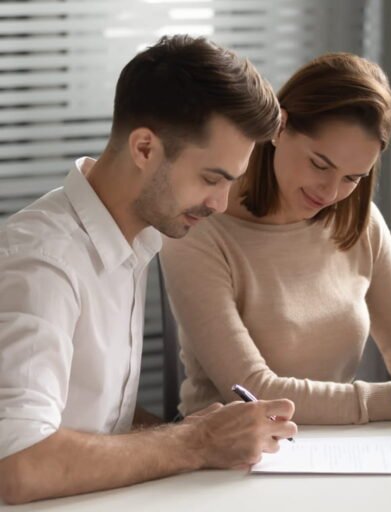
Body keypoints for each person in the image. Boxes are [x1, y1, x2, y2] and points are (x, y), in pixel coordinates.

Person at [0, 35, 297, 505]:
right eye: (211, 178)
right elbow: (15, 464)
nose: (220, 204)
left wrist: (199, 433)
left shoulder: (133, 239)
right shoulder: (43, 261)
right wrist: (194, 444)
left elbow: (91, 418)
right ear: (144, 148)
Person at [160, 53, 391, 425]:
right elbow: (253, 390)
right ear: (280, 128)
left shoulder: (359, 221)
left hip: (336, 449)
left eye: (353, 178)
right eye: (320, 164)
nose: (330, 192)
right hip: (227, 457)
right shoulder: (201, 227)